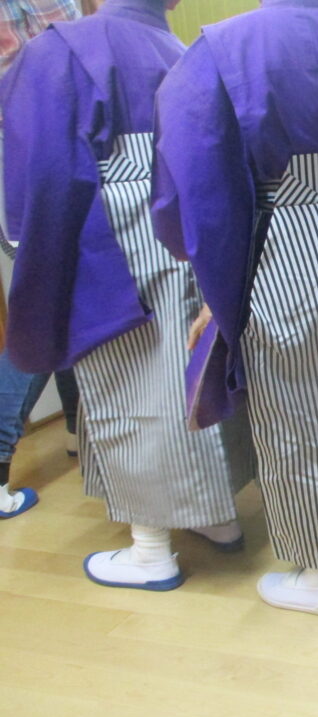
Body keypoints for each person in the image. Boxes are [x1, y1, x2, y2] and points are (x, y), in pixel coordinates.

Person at [152, 0, 318, 617]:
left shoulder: (221, 47)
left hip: (288, 231)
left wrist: (214, 280)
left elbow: (196, 179)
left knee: (301, 406)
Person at [2, 0, 254, 589]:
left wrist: (33, 245)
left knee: (131, 386)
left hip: (115, 233)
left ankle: (151, 550)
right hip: (191, 222)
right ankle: (216, 517)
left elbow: (45, 167)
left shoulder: (65, 47)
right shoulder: (186, 49)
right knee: (191, 374)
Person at [0, 0, 82, 518]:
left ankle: (77, 430)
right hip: (34, 156)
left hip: (28, 156)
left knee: (71, 299)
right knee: (41, 314)